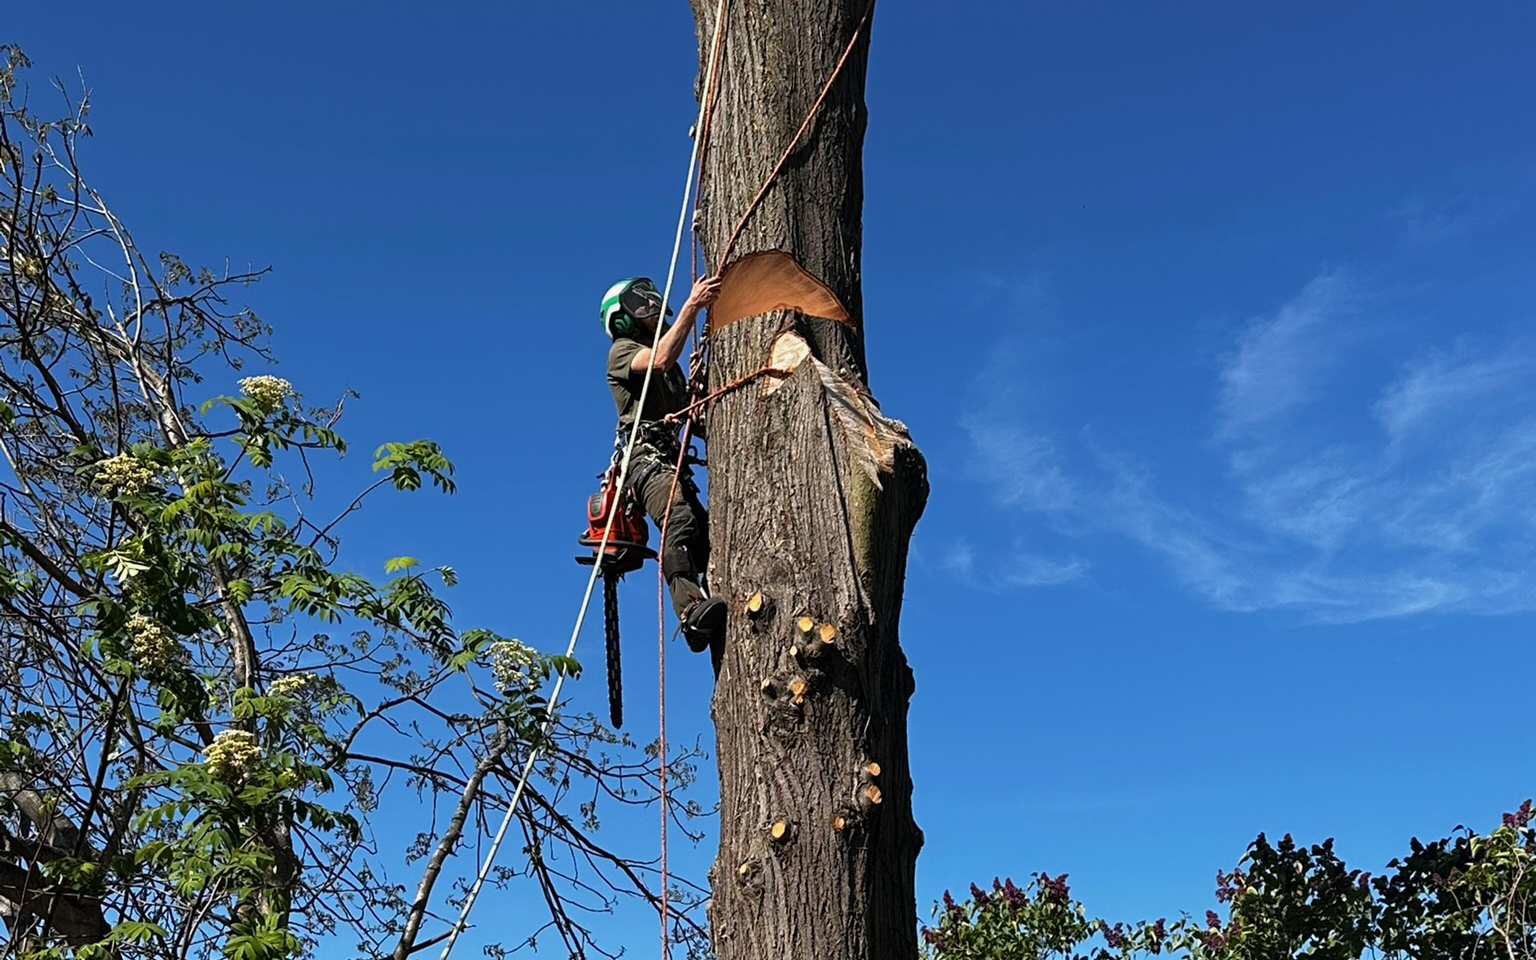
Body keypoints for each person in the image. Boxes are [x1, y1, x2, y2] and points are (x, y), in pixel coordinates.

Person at [600, 274, 725, 651]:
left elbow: (693, 420)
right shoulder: (623, 350)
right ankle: (690, 612)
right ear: (624, 318)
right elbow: (660, 358)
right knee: (679, 517)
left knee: (707, 538)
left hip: (670, 459)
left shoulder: (671, 374)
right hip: (644, 458)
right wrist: (693, 305)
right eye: (641, 303)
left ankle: (714, 607)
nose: (651, 308)